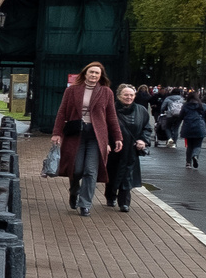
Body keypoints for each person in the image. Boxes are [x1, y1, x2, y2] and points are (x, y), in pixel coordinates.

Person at [53, 60, 123, 216]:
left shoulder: (106, 92)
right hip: (76, 134)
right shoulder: (72, 91)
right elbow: (62, 112)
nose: (94, 75)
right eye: (91, 72)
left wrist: (117, 137)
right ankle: (74, 191)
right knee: (76, 169)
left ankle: (85, 204)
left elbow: (111, 117)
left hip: (96, 136)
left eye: (97, 73)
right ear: (85, 73)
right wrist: (57, 133)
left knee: (90, 171)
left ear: (100, 76)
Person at [109, 82, 153, 211]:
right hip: (114, 149)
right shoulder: (111, 109)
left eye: (131, 95)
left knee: (127, 175)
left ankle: (124, 202)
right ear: (118, 96)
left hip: (131, 150)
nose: (129, 97)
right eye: (126, 95)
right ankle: (110, 195)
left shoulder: (142, 110)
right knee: (112, 174)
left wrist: (143, 140)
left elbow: (147, 128)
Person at [180, 87, 206, 167]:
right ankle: (195, 155)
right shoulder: (202, 105)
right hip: (199, 126)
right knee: (198, 145)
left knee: (189, 145)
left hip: (188, 127)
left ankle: (188, 163)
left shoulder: (185, 106)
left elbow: (181, 116)